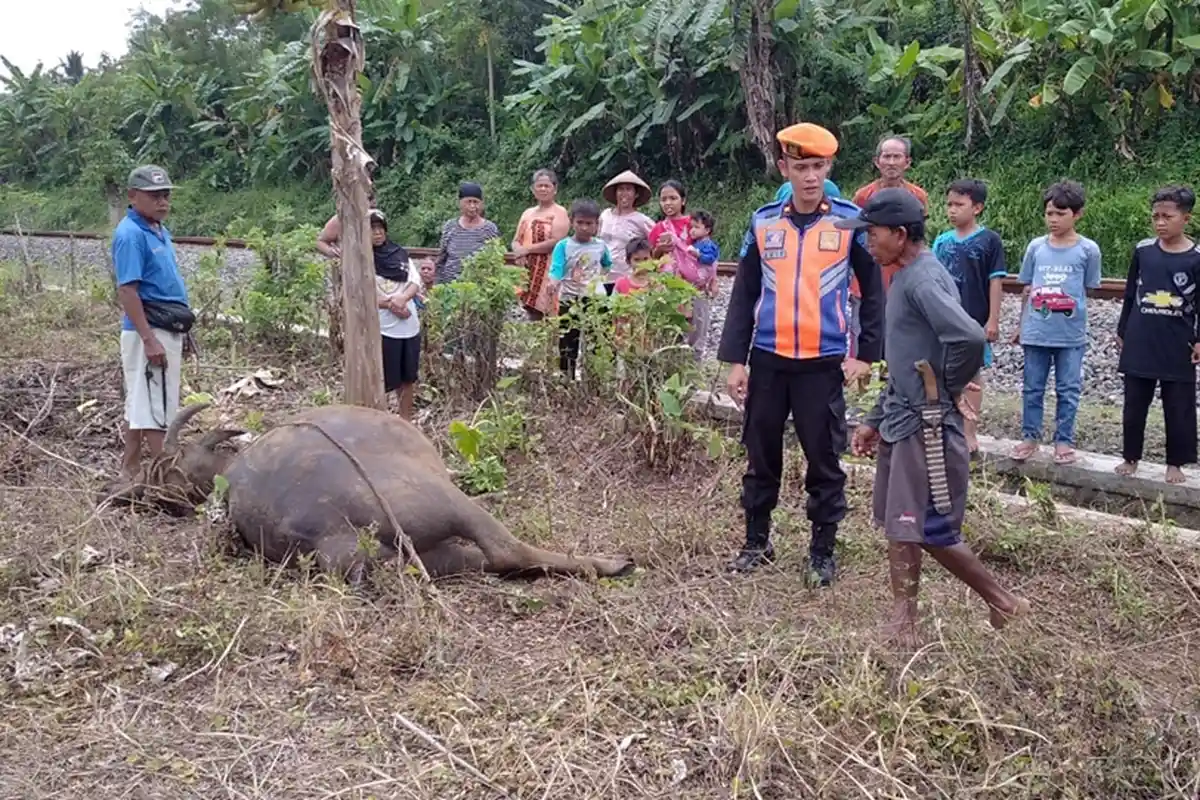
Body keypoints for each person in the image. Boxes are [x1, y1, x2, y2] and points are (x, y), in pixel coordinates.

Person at [844, 188, 1030, 644]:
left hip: (924, 424)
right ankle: (903, 621)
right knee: (901, 523)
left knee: (926, 526)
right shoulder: (904, 277)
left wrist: (942, 386)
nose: (867, 243)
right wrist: (875, 416)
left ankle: (1004, 601)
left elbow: (968, 337)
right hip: (904, 418)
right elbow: (905, 360)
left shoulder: (923, 279)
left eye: (873, 234)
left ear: (900, 234)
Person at [718, 122, 884, 584]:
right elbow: (744, 291)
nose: (810, 176)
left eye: (818, 166)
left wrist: (865, 355)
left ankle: (822, 552)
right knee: (760, 454)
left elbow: (874, 294)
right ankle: (757, 542)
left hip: (822, 363)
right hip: (768, 359)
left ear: (828, 167)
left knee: (824, 459)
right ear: (783, 167)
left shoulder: (851, 222)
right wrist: (737, 361)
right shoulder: (763, 221)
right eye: (800, 166)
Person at [1010, 180, 1102, 466]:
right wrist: (1020, 324)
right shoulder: (1036, 247)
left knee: (1068, 388)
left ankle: (1064, 440)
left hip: (1071, 334)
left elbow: (1088, 287)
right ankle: (1030, 437)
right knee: (1032, 387)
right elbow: (1027, 288)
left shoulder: (1088, 250)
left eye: (1060, 213)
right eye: (1049, 213)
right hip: (1036, 331)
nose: (1053, 219)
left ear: (1077, 214)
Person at [1115, 185, 1200, 484]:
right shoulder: (1143, 251)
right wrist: (1122, 330)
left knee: (1179, 404)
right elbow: (1129, 293)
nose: (1160, 222)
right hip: (1141, 337)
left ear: (1186, 219)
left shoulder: (1196, 257)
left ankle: (1176, 462)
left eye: (1167, 216)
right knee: (1135, 402)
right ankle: (1130, 456)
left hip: (1178, 341)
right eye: (1155, 216)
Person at [112, 165, 192, 482]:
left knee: (142, 401)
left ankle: (129, 469)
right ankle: (170, 479)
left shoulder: (158, 230)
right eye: (154, 195)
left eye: (166, 195)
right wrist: (149, 339)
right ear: (133, 196)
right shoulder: (131, 235)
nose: (162, 202)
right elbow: (127, 290)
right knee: (157, 406)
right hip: (150, 329)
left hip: (166, 327)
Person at [932, 178, 1006, 454]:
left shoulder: (989, 241)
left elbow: (995, 281)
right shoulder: (941, 241)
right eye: (949, 204)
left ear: (977, 207)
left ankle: (969, 432)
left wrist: (993, 319)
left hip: (974, 319)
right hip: (944, 319)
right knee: (941, 371)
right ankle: (944, 425)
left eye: (959, 205)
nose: (952, 210)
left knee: (972, 374)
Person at [847, 135, 929, 359]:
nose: (891, 162)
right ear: (877, 161)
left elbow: (918, 238)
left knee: (898, 338)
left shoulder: (918, 196)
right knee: (862, 335)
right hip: (868, 275)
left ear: (907, 162)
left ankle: (891, 384)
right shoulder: (863, 196)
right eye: (887, 156)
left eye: (897, 157)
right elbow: (856, 238)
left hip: (901, 275)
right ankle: (860, 388)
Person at [548, 199, 614, 378]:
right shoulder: (563, 246)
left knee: (596, 341)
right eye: (580, 223)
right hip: (570, 299)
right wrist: (553, 282)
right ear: (572, 221)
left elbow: (607, 265)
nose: (584, 227)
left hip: (595, 300)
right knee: (568, 342)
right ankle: (566, 380)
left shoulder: (600, 246)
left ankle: (593, 381)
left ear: (596, 224)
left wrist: (597, 280)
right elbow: (557, 267)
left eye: (589, 223)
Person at [371, 210, 422, 421]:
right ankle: (379, 421)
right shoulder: (361, 260)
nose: (377, 233)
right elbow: (360, 294)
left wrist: (402, 299)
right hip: (383, 328)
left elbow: (414, 282)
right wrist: (391, 305)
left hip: (409, 326)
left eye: (380, 228)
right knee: (381, 380)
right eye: (371, 229)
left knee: (407, 378)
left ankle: (405, 420)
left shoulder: (399, 254)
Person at [512, 169, 570, 320]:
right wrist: (518, 251)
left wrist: (527, 250)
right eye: (539, 186)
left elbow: (557, 241)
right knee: (526, 312)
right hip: (526, 271)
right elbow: (516, 240)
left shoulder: (559, 212)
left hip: (548, 270)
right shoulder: (527, 213)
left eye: (547, 186)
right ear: (533, 189)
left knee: (547, 313)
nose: (543, 189)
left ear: (555, 189)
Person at [667, 209, 719, 357]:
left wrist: (697, 254)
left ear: (707, 230)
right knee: (688, 318)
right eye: (691, 227)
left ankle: (695, 354)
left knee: (699, 319)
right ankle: (685, 351)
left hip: (700, 289)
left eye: (696, 227)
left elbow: (710, 260)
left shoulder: (708, 245)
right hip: (689, 288)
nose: (692, 230)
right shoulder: (694, 243)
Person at [433, 181, 502, 285]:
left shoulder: (489, 229)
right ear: (460, 203)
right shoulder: (450, 226)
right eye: (469, 202)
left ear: (482, 204)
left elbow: (496, 261)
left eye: (476, 202)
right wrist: (437, 284)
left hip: (478, 288)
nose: (473, 206)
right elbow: (442, 258)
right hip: (450, 286)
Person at [598, 170, 655, 295]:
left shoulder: (642, 220)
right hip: (602, 276)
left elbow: (654, 245)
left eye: (629, 189)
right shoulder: (605, 215)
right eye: (621, 189)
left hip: (627, 279)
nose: (624, 193)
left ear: (636, 194)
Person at [316, 188, 377, 259]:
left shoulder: (376, 218)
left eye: (369, 199)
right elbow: (320, 242)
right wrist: (331, 251)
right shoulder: (339, 220)